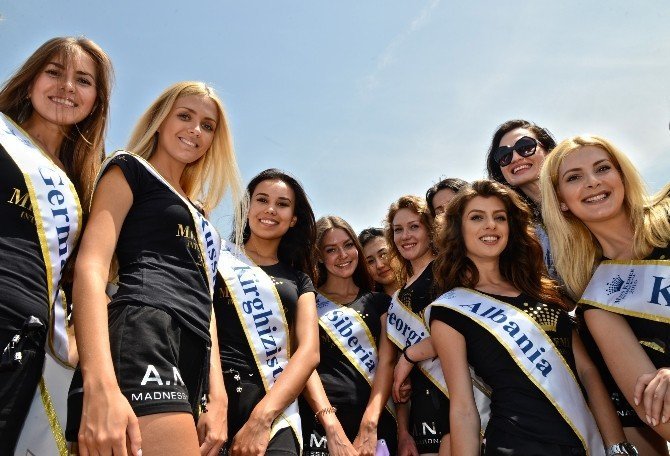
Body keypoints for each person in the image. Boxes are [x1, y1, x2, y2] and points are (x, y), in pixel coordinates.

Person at [66, 81, 242, 455]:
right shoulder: (129, 169)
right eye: (185, 116)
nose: (195, 130)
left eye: (207, 126)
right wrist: (100, 382)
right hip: (144, 328)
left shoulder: (200, 211)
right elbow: (91, 266)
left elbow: (206, 301)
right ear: (160, 120)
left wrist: (218, 394)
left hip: (193, 347)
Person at [428, 179, 634, 456]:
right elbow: (464, 409)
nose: (490, 225)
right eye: (477, 217)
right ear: (458, 230)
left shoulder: (542, 292)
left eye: (499, 217)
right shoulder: (450, 310)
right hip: (516, 444)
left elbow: (587, 372)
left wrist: (617, 446)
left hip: (585, 442)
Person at [0, 36, 112, 454]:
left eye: (83, 80)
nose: (67, 86)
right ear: (30, 81)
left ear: (96, 101)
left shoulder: (85, 186)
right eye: (54, 72)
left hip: (28, 347)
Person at [540, 134, 670, 454]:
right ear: (561, 201)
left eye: (602, 168)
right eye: (574, 178)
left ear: (621, 176)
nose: (592, 182)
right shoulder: (599, 303)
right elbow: (657, 414)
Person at [215, 168, 320, 455]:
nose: (270, 209)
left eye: (282, 204)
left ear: (293, 218)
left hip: (276, 407)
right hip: (215, 397)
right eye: (262, 200)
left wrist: (261, 419)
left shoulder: (299, 280)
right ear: (247, 208)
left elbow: (309, 351)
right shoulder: (217, 257)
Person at [300, 216, 397, 456]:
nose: (343, 255)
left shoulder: (379, 302)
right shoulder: (308, 301)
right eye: (331, 250)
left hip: (374, 422)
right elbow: (303, 365)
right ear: (319, 256)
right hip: (322, 425)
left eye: (348, 245)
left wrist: (369, 424)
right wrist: (331, 426)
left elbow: (387, 362)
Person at [383, 195, 450, 456]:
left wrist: (410, 356)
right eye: (398, 230)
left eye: (414, 227)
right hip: (421, 410)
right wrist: (403, 432)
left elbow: (464, 331)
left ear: (430, 229)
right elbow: (400, 377)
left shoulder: (448, 271)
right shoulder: (397, 297)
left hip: (460, 395)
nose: (405, 236)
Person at [485, 119, 557, 277]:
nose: (516, 158)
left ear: (547, 150)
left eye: (525, 147)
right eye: (504, 155)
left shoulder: (581, 197)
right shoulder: (515, 228)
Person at [358, 227, 400, 296]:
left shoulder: (419, 285)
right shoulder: (369, 302)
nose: (379, 265)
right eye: (370, 261)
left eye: (383, 254)